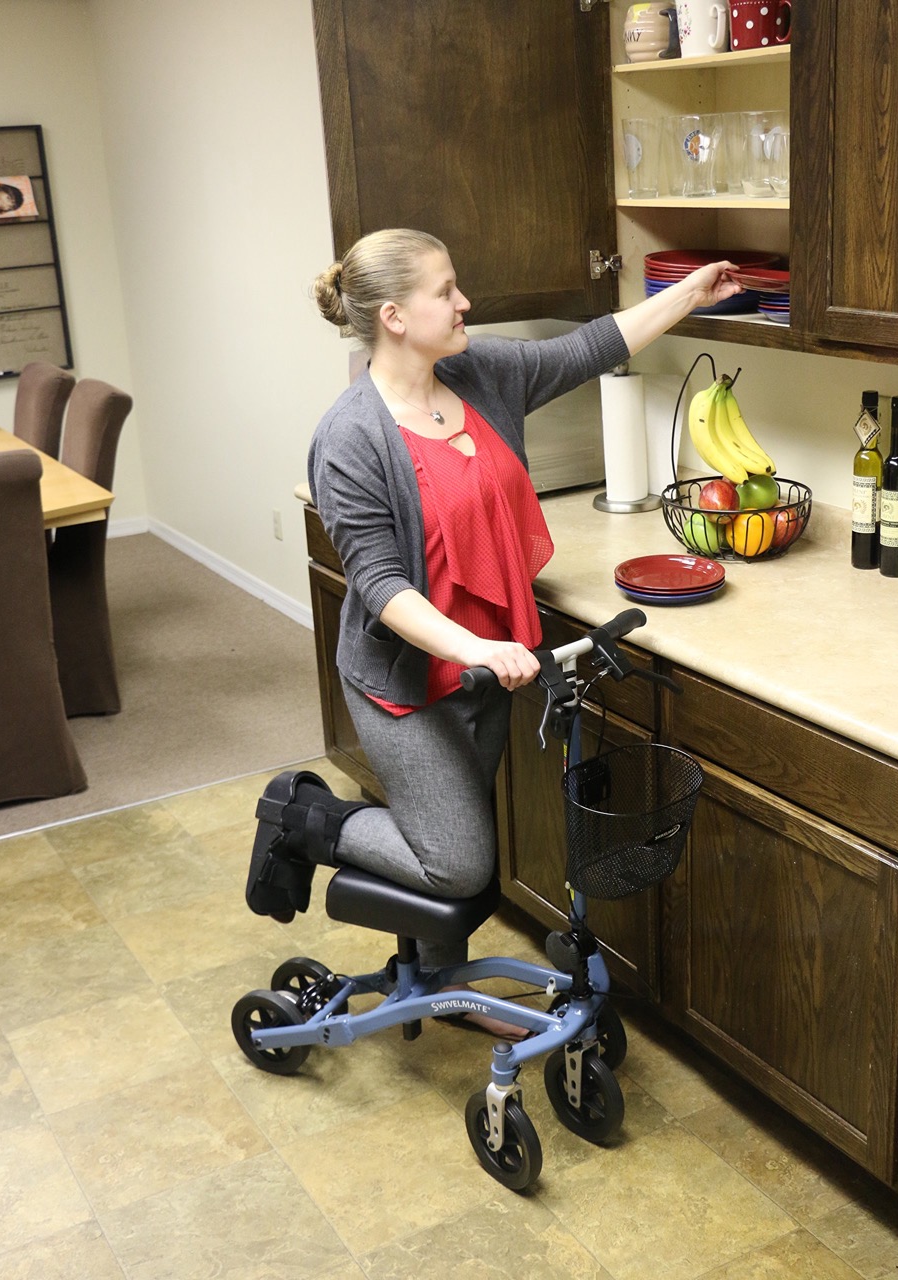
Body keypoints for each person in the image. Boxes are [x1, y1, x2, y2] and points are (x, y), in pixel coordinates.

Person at [292, 228, 739, 1036]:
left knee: (459, 840)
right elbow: (382, 585)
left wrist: (689, 292)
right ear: (393, 315)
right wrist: (473, 649)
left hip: (492, 661)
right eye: (445, 291)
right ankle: (304, 818)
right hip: (410, 682)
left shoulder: (479, 374)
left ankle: (436, 985)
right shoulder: (351, 436)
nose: (465, 304)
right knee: (460, 863)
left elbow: (588, 348)